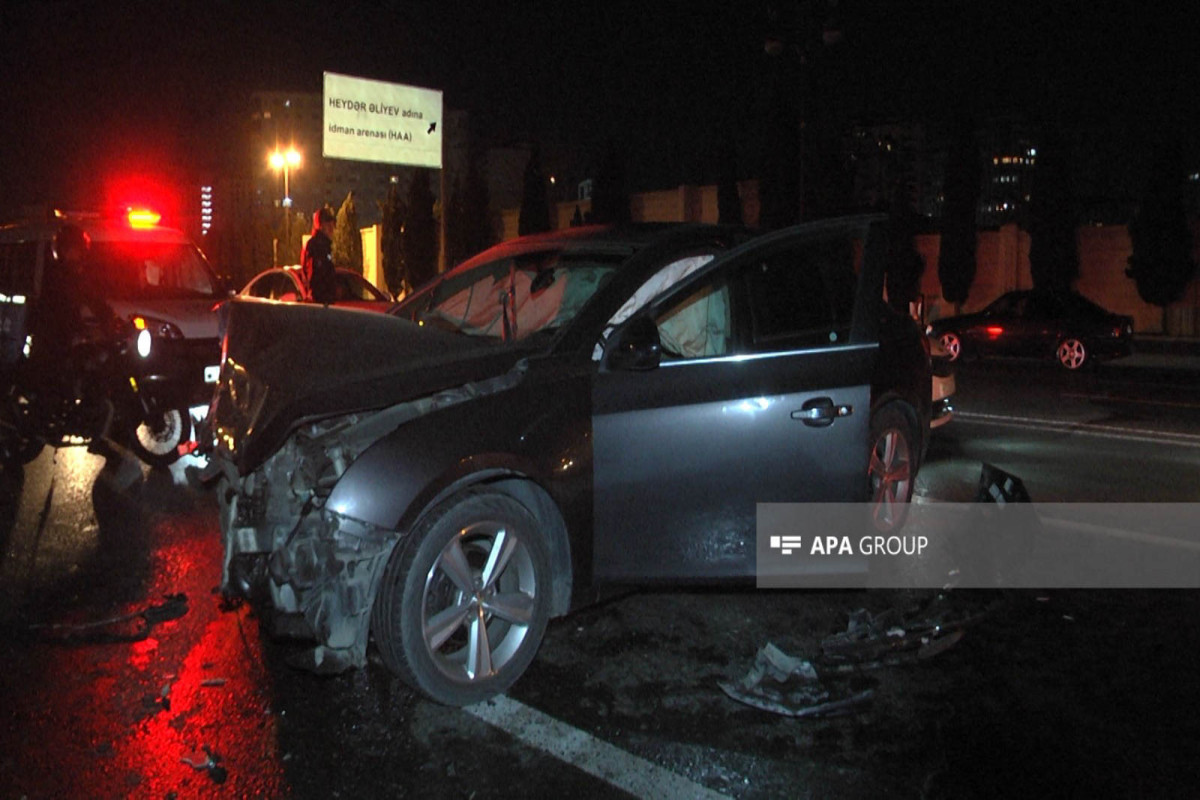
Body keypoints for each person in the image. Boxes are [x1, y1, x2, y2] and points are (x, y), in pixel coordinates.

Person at [301, 207, 338, 305]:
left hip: (324, 302)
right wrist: (323, 298)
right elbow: (314, 276)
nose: (331, 227)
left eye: (332, 224)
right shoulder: (316, 246)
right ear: (320, 226)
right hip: (320, 303)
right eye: (328, 224)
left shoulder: (325, 246)